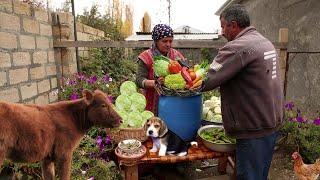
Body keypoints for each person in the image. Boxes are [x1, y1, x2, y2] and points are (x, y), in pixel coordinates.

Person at [201, 4, 283, 180]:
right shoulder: (264, 41)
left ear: (234, 25)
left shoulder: (237, 47)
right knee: (260, 173)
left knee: (249, 176)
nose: (222, 31)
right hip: (269, 122)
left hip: (253, 127)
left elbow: (207, 79)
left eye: (223, 26)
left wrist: (186, 82)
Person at [135, 24, 185, 115]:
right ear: (156, 40)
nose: (168, 44)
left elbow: (186, 72)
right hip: (151, 103)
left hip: (173, 103)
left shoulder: (177, 56)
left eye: (170, 41)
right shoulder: (145, 57)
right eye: (164, 41)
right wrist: (155, 83)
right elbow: (139, 80)